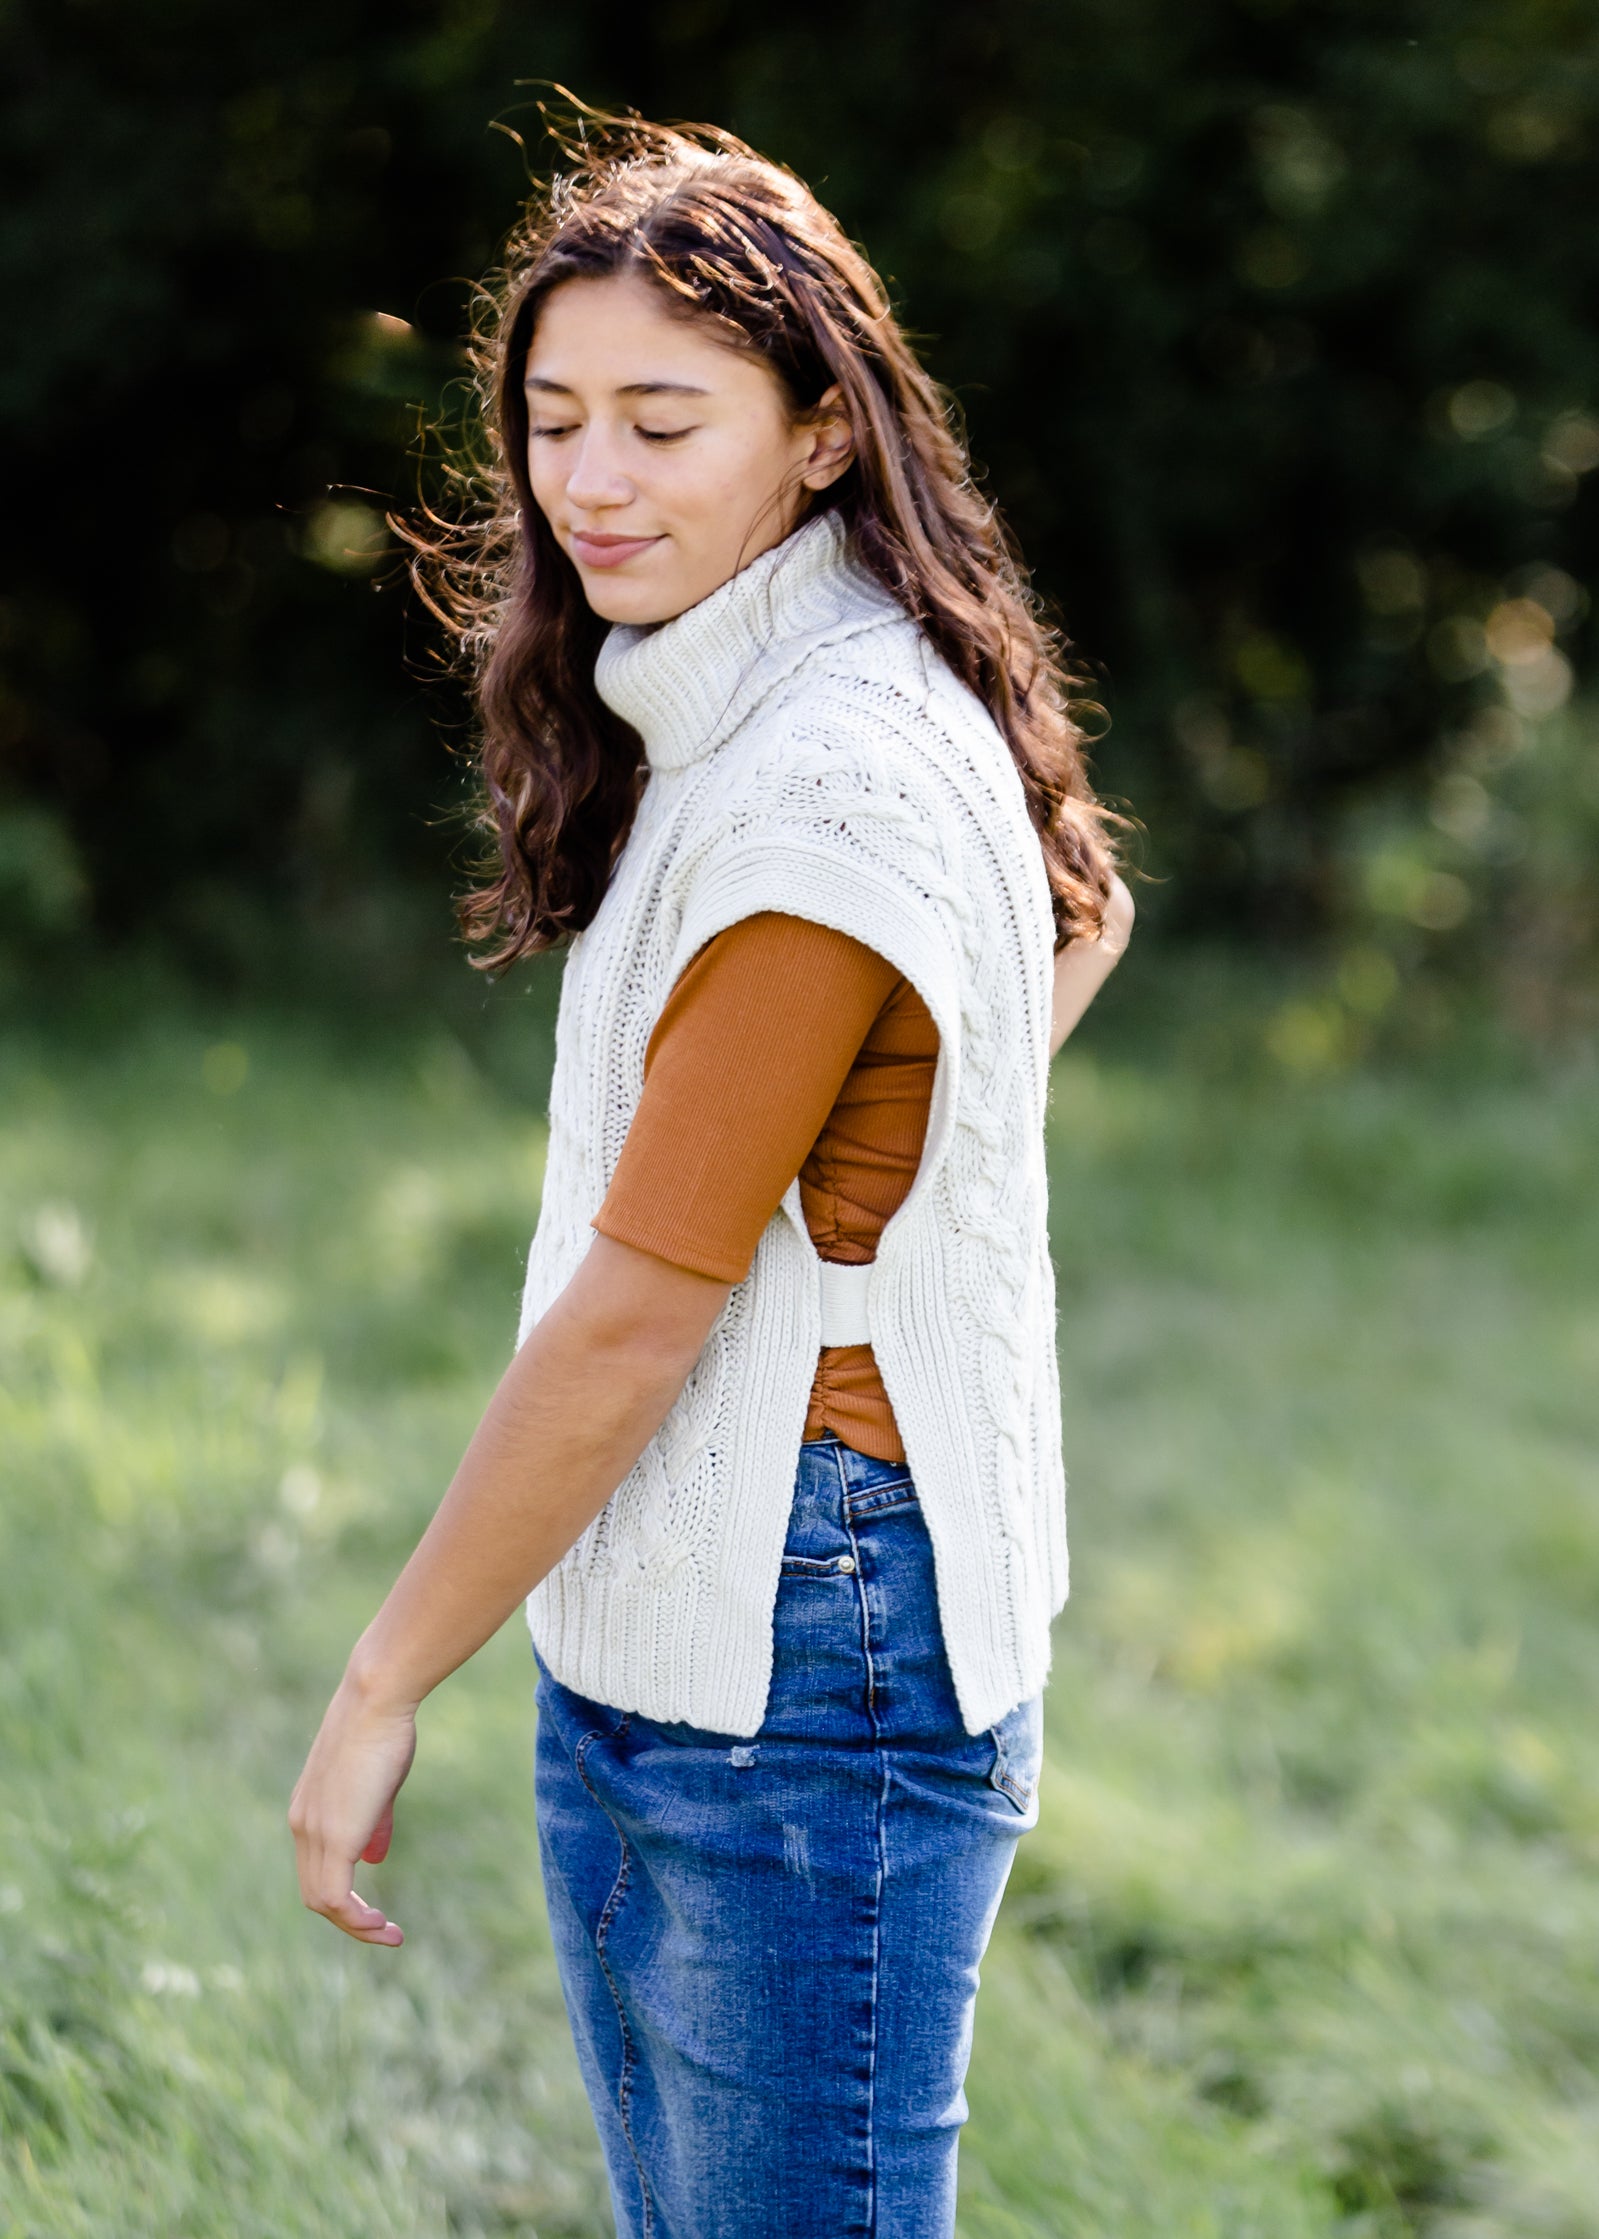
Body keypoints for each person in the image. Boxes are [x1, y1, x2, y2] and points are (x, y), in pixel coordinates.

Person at [289, 112, 1134, 2239]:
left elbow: (642, 1307)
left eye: (664, 420)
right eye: (553, 417)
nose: (589, 479)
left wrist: (381, 1678)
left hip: (808, 1622)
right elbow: (1076, 911)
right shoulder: (820, 686)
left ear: (823, 434)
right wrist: (891, 1173)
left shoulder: (814, 789)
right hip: (766, 1578)